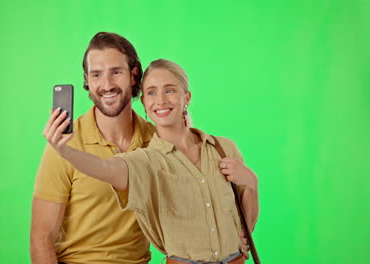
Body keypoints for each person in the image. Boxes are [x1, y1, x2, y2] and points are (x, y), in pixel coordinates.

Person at [44, 59, 259, 264]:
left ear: (187, 97)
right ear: (144, 104)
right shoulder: (146, 160)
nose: (161, 100)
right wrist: (65, 151)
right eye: (151, 92)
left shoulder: (223, 148)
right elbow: (107, 168)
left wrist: (252, 183)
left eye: (170, 90)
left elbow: (244, 222)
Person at [30, 32, 155, 264]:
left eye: (116, 72)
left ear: (134, 76)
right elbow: (41, 238)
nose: (106, 85)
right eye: (96, 75)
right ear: (87, 80)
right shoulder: (64, 144)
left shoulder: (156, 141)